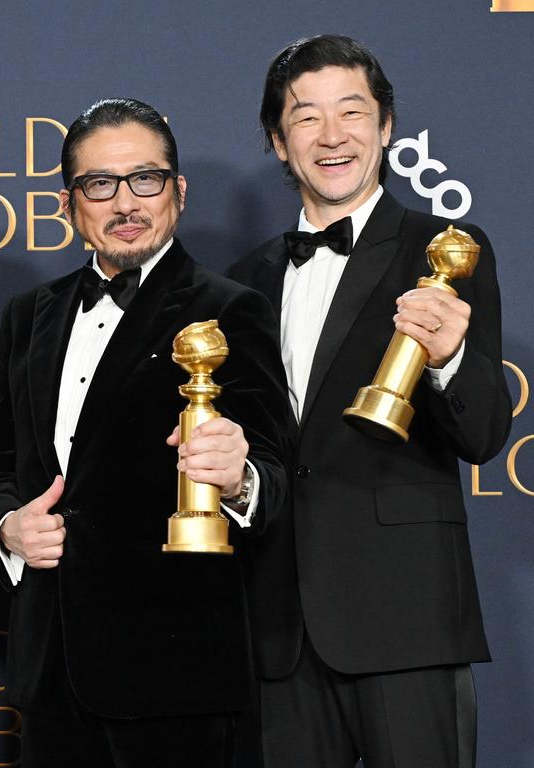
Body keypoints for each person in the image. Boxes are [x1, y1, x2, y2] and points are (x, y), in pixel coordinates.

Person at [0, 98, 291, 768]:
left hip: (177, 677)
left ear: (178, 192)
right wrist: (8, 527)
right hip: (51, 671)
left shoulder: (231, 309)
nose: (125, 203)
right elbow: (0, 464)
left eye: (145, 179)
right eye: (100, 184)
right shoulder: (28, 315)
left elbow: (276, 476)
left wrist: (240, 476)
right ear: (67, 203)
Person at [227, 34, 512, 768]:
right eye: (306, 118)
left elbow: (483, 433)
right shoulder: (242, 281)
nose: (332, 136)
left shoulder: (445, 252)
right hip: (278, 633)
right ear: (277, 141)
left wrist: (448, 358)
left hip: (406, 617)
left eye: (352, 112)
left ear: (386, 127)